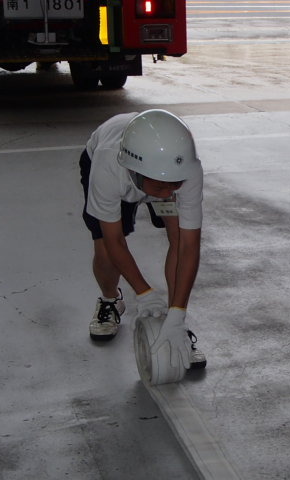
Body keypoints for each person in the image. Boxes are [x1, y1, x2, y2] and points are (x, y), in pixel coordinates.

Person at [79, 109, 206, 371]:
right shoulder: (108, 168)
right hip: (105, 163)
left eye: (176, 184)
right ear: (134, 173)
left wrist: (178, 312)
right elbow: (115, 241)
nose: (170, 192)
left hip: (154, 169)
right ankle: (110, 300)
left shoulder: (186, 170)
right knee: (104, 248)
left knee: (180, 237)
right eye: (162, 187)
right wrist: (144, 293)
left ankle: (174, 324)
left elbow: (189, 247)